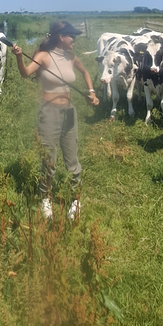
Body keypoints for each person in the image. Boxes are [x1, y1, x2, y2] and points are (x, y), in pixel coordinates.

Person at [12, 21, 99, 220]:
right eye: (72, 37)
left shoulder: (70, 57)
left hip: (69, 111)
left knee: (72, 158)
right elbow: (25, 73)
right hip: (49, 112)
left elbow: (85, 73)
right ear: (61, 36)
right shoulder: (43, 56)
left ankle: (75, 199)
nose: (74, 41)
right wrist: (18, 57)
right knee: (49, 159)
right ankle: (45, 198)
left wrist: (91, 92)